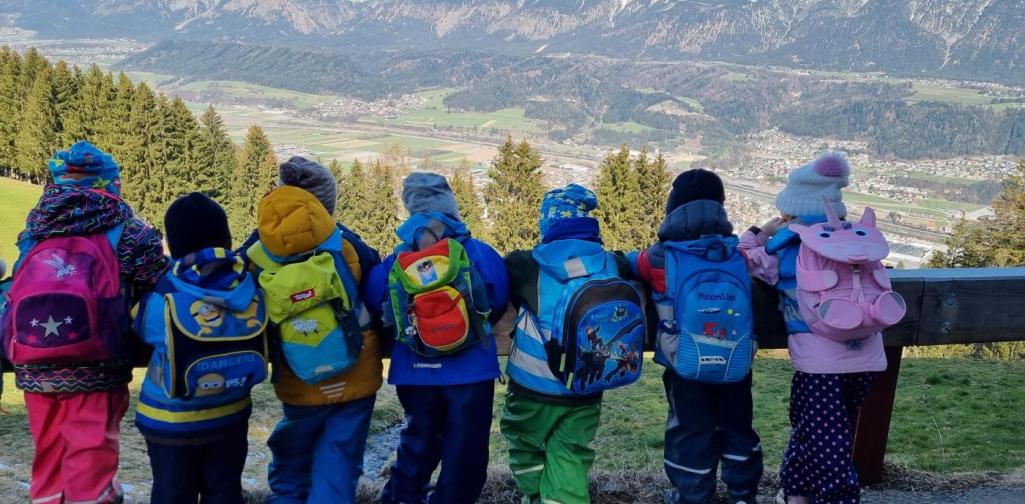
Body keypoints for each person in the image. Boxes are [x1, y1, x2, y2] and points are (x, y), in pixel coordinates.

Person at [5, 141, 167, 504]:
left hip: (34, 362)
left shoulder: (34, 230)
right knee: (90, 460)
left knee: (48, 461)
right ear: (110, 183)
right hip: (97, 364)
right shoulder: (129, 232)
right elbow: (159, 281)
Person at [738, 152, 886, 504]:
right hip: (866, 353)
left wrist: (760, 231)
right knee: (821, 431)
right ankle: (796, 490)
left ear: (790, 211)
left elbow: (745, 256)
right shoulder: (857, 241)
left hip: (820, 364)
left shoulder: (787, 247)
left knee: (826, 440)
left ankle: (839, 498)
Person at [241, 157, 383, 503]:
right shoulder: (347, 244)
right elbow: (378, 296)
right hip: (355, 375)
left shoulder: (255, 252)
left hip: (299, 377)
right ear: (324, 205)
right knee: (339, 466)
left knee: (292, 465)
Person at [365, 172, 510, 504]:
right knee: (466, 453)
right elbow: (499, 295)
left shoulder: (399, 259)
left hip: (416, 372)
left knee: (417, 443)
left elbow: (376, 299)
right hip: (470, 373)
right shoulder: (475, 250)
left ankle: (401, 498)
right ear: (451, 207)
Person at [501, 184, 642, 504]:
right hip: (586, 383)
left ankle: (534, 496)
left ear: (547, 225)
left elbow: (499, 292)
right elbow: (639, 263)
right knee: (571, 453)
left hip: (533, 384)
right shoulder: (611, 263)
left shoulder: (525, 265)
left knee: (525, 443)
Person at [630, 169, 763, 504]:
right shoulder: (737, 254)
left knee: (689, 430)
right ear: (721, 208)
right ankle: (743, 493)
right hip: (735, 362)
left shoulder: (660, 257)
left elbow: (632, 264)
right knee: (738, 427)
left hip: (685, 363)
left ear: (673, 210)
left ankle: (692, 495)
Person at [133, 192, 269, 504]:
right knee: (224, 493)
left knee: (171, 495)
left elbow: (139, 325)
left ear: (174, 243)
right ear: (226, 236)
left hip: (170, 421)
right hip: (230, 417)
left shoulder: (163, 296)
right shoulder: (249, 286)